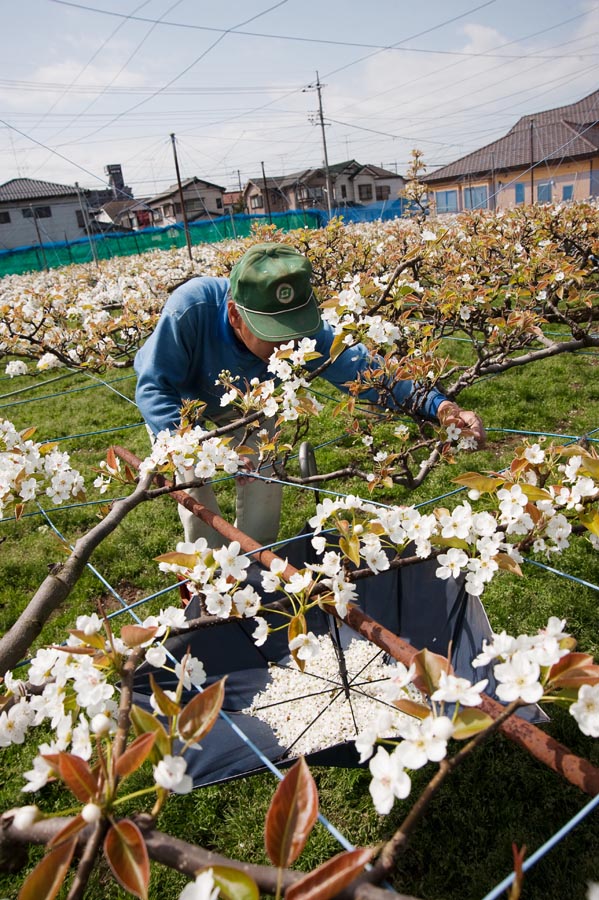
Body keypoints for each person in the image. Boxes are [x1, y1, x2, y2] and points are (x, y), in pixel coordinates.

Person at [134, 243, 485, 548]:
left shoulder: (303, 333)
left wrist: (438, 405)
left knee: (265, 477)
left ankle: (253, 563)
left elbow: (361, 368)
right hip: (177, 405)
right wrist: (192, 448)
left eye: (293, 330)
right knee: (194, 491)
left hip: (251, 403)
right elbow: (153, 386)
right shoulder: (190, 309)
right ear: (234, 315)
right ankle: (203, 576)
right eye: (272, 334)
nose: (287, 345)